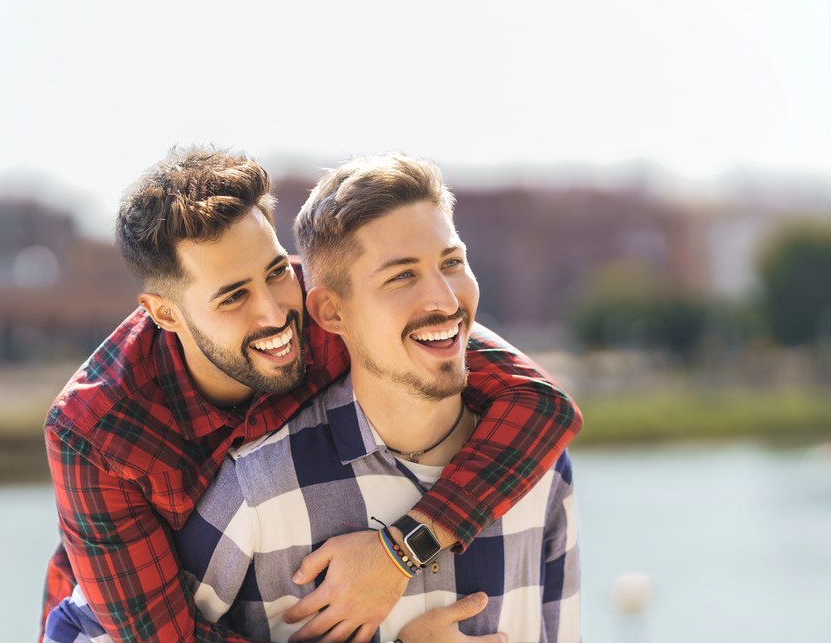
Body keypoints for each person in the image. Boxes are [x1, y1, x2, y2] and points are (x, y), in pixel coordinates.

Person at [41, 147, 582, 642]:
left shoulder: (330, 311)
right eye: (233, 297)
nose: (276, 314)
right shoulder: (94, 431)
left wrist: (400, 554)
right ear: (163, 313)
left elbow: (541, 405)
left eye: (276, 271)